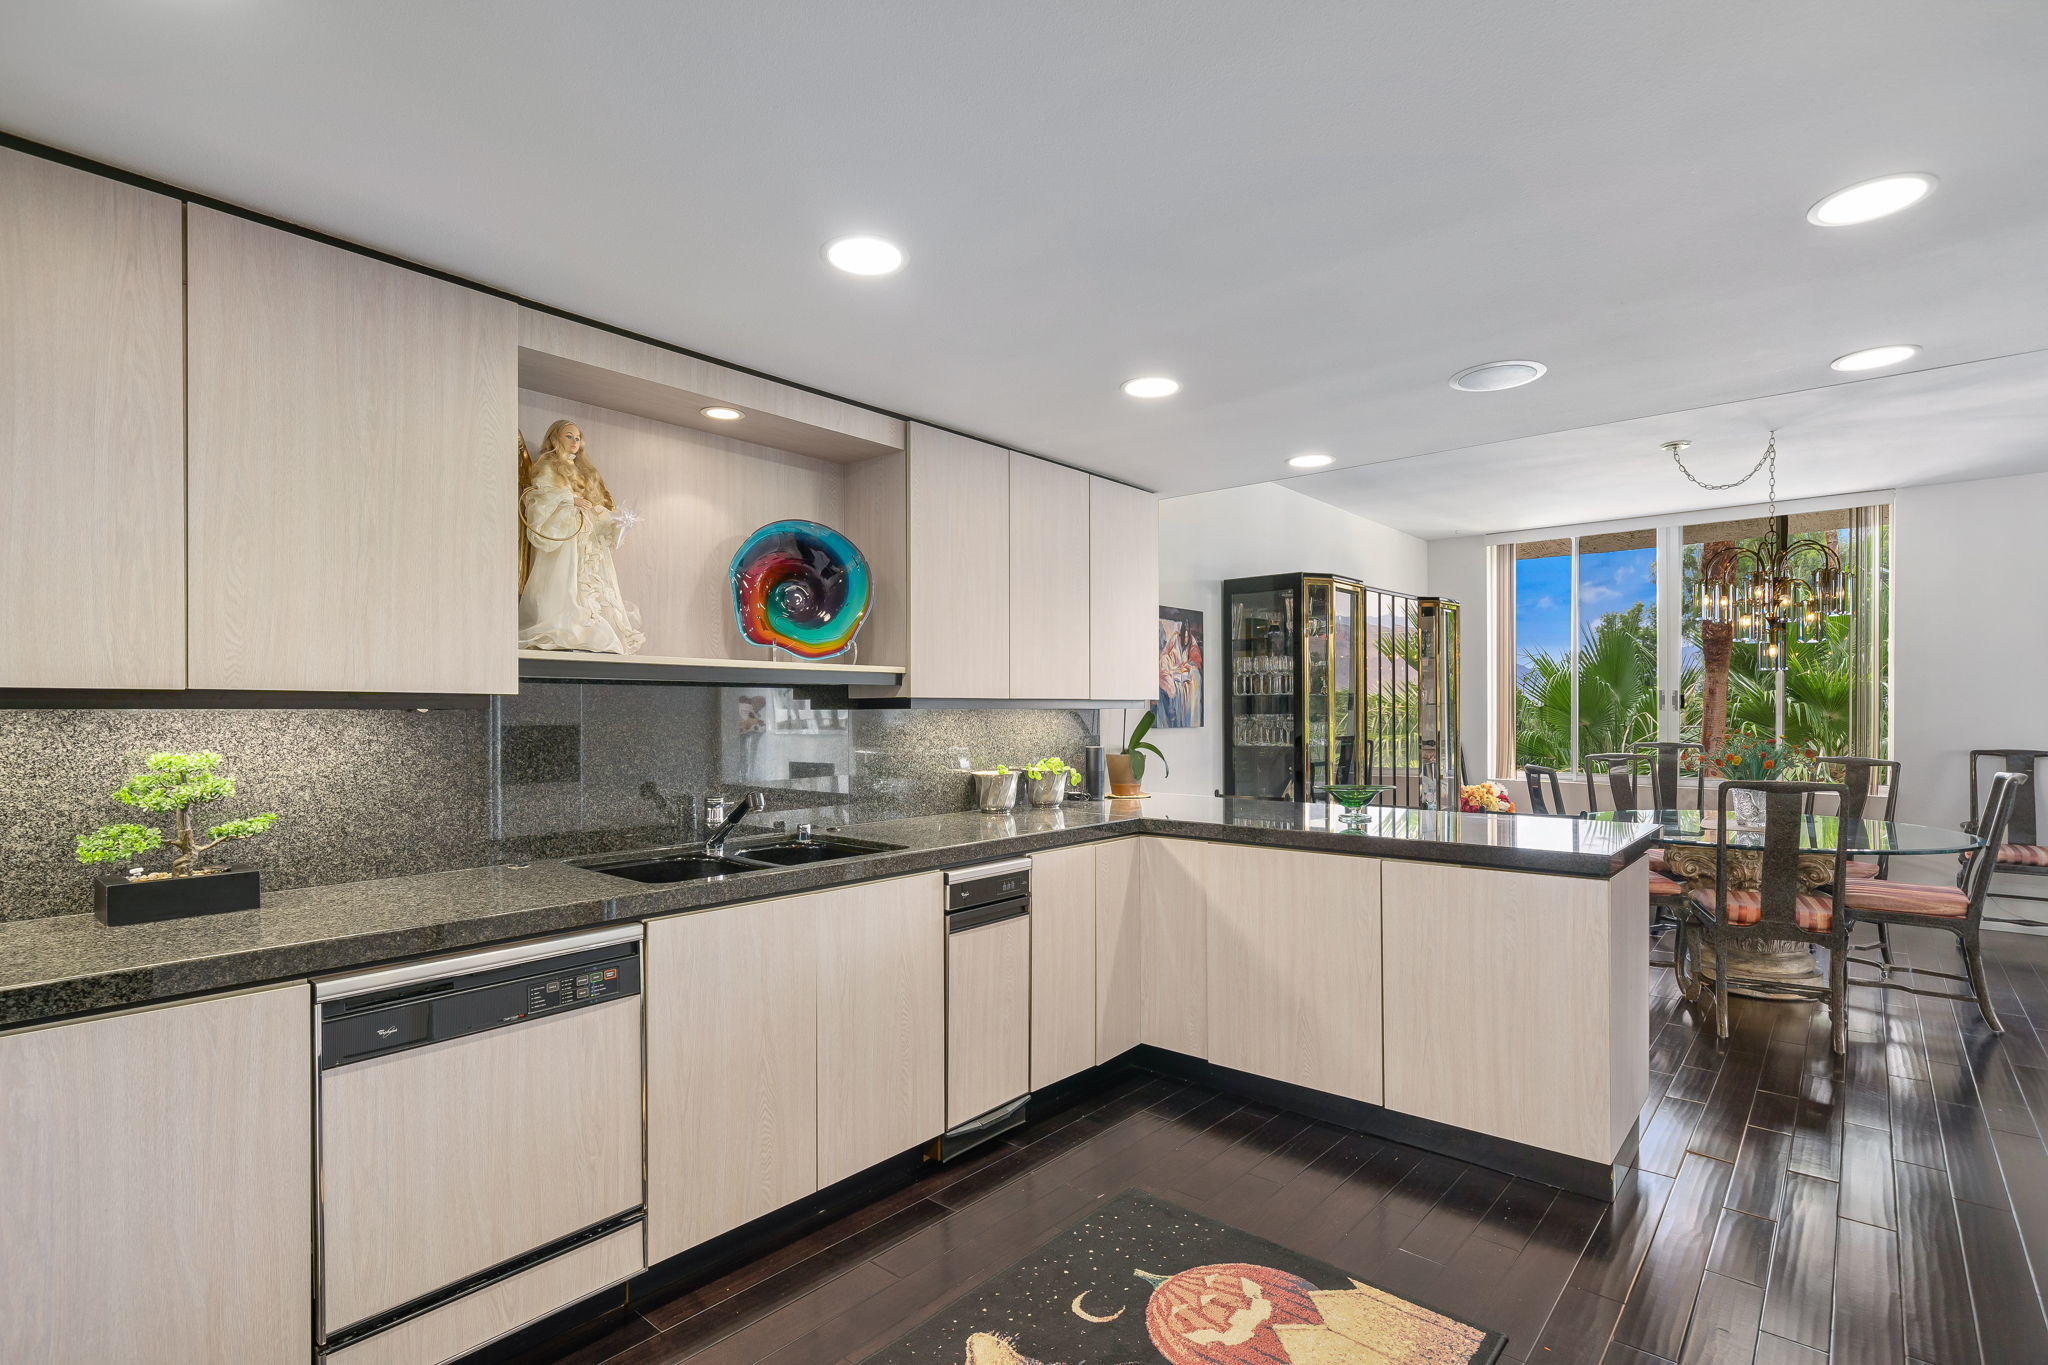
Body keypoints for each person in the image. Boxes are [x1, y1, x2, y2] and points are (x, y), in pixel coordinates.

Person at [518, 420, 645, 653]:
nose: (574, 442)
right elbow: (541, 497)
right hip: (567, 533)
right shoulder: (548, 466)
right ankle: (564, 622)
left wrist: (612, 520)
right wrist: (570, 500)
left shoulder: (583, 470)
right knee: (564, 576)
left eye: (577, 437)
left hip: (584, 535)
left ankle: (587, 621)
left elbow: (594, 504)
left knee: (589, 580)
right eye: (569, 436)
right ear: (556, 438)